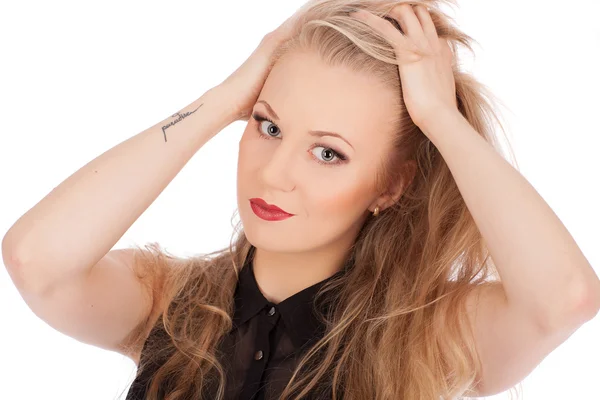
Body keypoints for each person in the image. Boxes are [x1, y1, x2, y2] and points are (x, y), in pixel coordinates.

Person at [4, 0, 599, 399]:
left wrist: (439, 117)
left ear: (393, 185)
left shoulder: (425, 335)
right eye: (268, 126)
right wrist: (221, 100)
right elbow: (37, 260)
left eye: (327, 153)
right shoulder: (167, 304)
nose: (276, 174)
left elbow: (565, 298)